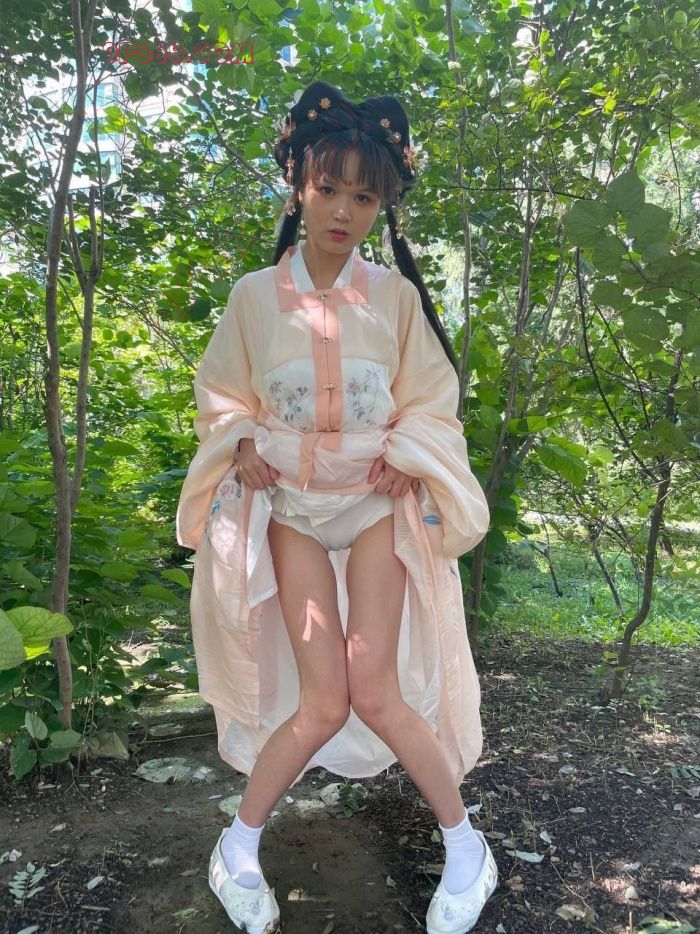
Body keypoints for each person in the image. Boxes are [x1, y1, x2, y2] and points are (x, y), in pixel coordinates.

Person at [176, 80, 497, 934]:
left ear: (382, 204)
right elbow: (222, 395)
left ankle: (468, 849)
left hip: (373, 510)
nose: (345, 211)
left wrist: (407, 455)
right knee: (322, 702)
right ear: (298, 185)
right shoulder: (253, 298)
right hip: (291, 512)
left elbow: (430, 399)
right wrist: (240, 440)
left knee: (378, 692)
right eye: (330, 189)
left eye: (365, 196)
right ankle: (237, 848)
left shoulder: (393, 298)